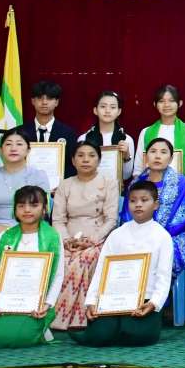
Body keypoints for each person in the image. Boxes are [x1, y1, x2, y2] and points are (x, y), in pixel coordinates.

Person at [72, 180, 175, 346]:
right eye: (133, 201)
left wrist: (153, 303)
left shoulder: (163, 237)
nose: (138, 205)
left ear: (155, 205)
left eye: (144, 200)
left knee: (137, 335)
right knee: (99, 335)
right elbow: (101, 270)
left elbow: (163, 277)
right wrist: (92, 301)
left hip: (144, 300)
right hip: (113, 298)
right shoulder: (117, 234)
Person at [0, 128, 50, 325]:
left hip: (29, 233)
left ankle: (25, 314)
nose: (13, 148)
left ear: (28, 150)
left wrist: (9, 232)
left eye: (19, 144)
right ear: (0, 150)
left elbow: (41, 212)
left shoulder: (38, 176)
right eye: (8, 144)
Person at [0, 186, 63, 348]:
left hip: (37, 304)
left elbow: (58, 275)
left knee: (21, 338)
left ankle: (42, 330)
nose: (27, 210)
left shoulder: (53, 237)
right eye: (21, 205)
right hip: (8, 301)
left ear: (44, 208)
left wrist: (47, 304)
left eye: (34, 205)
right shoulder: (5, 237)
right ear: (15, 210)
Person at [52, 140, 118, 330]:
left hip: (97, 239)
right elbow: (58, 220)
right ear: (73, 161)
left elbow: (111, 219)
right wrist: (66, 240)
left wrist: (92, 240)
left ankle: (78, 317)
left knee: (83, 259)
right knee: (61, 260)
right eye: (80, 156)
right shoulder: (65, 185)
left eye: (91, 155)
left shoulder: (109, 183)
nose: (86, 160)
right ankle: (58, 316)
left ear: (99, 159)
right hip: (69, 239)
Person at [125, 137, 185, 273]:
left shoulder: (181, 183)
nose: (158, 156)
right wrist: (140, 235)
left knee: (159, 255)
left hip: (173, 237)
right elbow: (127, 216)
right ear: (146, 157)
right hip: (137, 236)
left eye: (163, 152)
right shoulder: (135, 184)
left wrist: (156, 237)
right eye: (153, 151)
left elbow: (183, 218)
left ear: (171, 159)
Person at [135, 84, 185, 188]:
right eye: (161, 101)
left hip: (179, 188)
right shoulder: (146, 132)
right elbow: (138, 168)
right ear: (155, 104)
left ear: (180, 103)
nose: (166, 105)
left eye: (171, 101)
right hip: (149, 189)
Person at [19, 80, 77, 180]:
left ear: (56, 102)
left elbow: (72, 165)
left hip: (59, 187)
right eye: (40, 98)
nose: (44, 102)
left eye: (49, 98)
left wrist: (62, 184)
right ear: (33, 101)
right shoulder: (20, 132)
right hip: (24, 186)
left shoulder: (68, 133)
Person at [78, 90, 133, 194]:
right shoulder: (83, 139)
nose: (107, 111)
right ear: (95, 110)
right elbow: (79, 171)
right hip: (88, 193)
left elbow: (126, 176)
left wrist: (126, 156)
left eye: (112, 107)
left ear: (119, 111)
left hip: (116, 194)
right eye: (103, 106)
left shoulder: (126, 140)